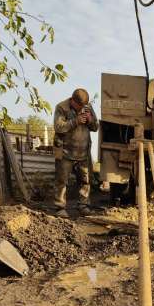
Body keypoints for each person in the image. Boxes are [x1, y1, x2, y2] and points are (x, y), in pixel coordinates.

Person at [53, 88, 98, 217]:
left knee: (85, 181)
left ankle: (83, 205)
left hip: (83, 152)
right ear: (72, 100)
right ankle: (59, 207)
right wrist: (75, 121)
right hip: (65, 151)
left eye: (83, 106)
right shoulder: (61, 107)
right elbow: (58, 127)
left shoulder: (87, 107)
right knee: (61, 181)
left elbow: (95, 127)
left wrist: (90, 120)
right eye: (79, 106)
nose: (81, 108)